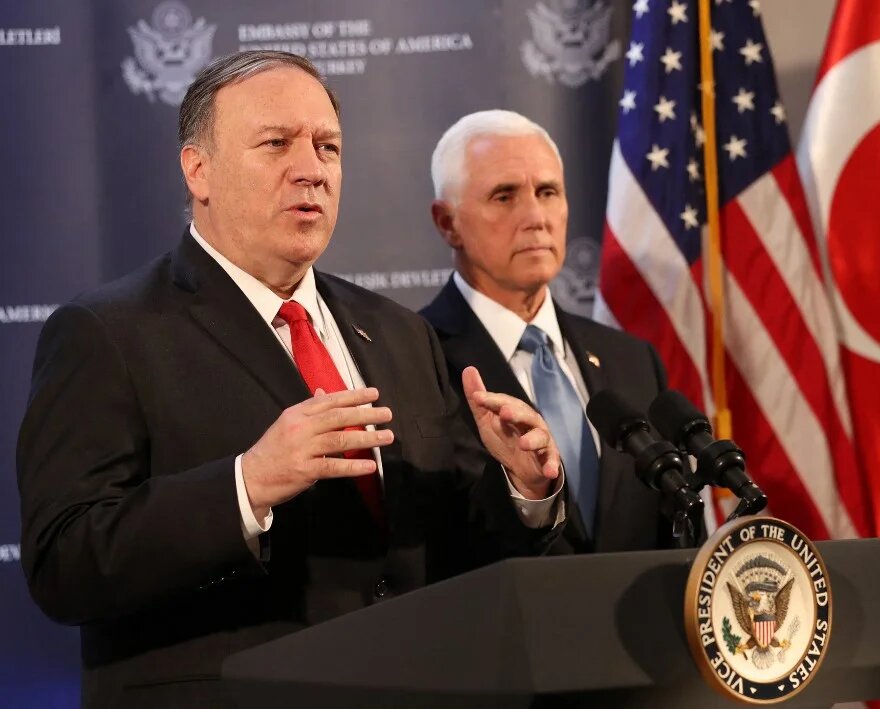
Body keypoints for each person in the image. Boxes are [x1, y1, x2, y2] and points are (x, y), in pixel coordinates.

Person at [17, 53, 565, 708]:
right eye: (276, 143)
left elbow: (447, 545)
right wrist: (246, 485)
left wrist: (521, 489)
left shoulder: (396, 333)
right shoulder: (108, 332)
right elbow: (64, 562)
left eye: (327, 146)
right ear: (199, 170)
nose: (312, 169)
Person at [420, 110, 679, 555]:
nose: (536, 217)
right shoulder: (415, 359)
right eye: (505, 196)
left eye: (547, 192)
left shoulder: (632, 361)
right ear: (448, 223)